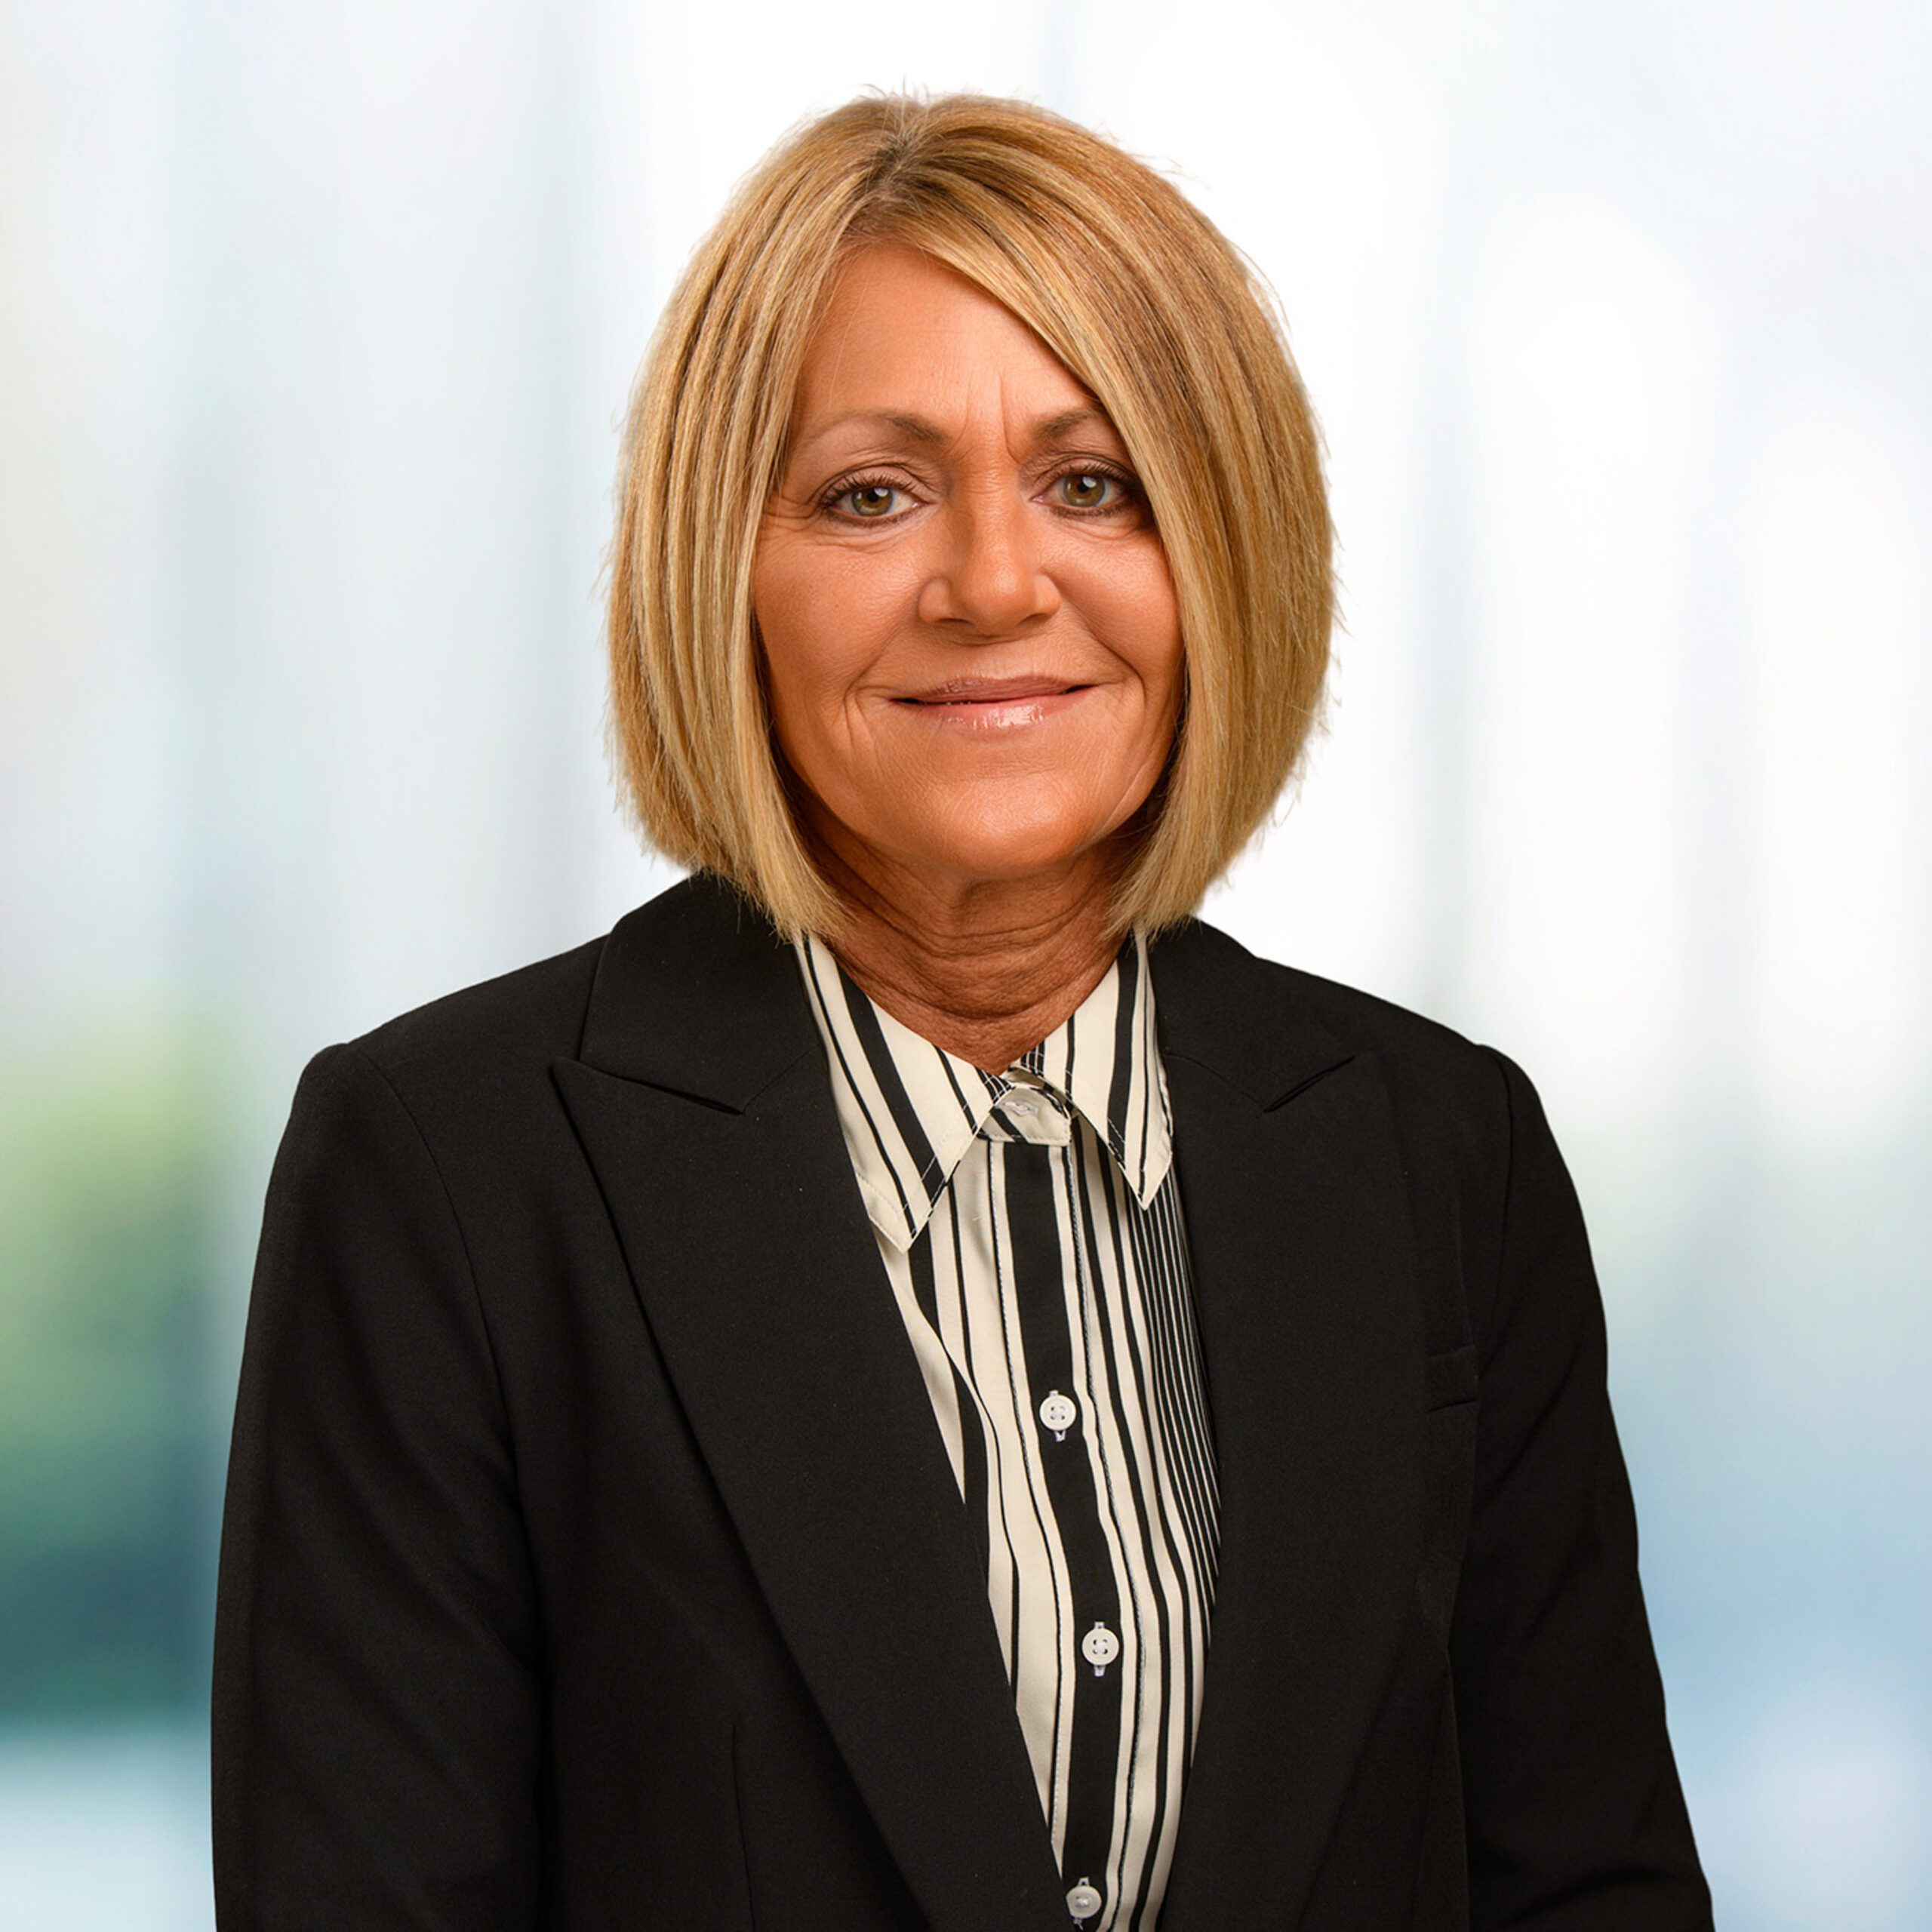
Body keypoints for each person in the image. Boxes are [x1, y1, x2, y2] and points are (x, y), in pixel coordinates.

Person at [211, 93, 1712, 1931]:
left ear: (1216, 551)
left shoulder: (1439, 1149)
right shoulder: (447, 1170)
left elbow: (1587, 1889)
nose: (995, 583)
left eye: (1093, 482)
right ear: (723, 571)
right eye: (871, 490)